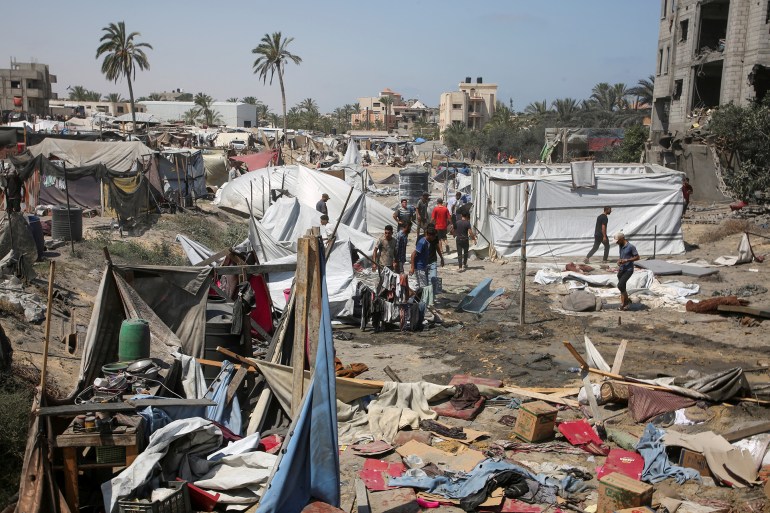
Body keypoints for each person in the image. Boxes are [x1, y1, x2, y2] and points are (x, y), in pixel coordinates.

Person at [615, 232, 640, 311]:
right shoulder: (620, 245)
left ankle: (624, 303)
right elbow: (622, 256)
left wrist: (627, 260)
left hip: (628, 270)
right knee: (622, 287)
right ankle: (626, 301)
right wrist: (619, 261)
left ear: (622, 239)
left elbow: (637, 257)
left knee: (620, 285)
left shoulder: (631, 247)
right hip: (621, 269)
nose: (617, 243)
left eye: (618, 241)